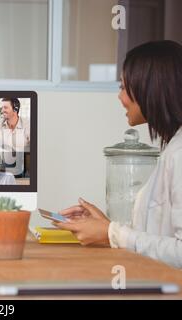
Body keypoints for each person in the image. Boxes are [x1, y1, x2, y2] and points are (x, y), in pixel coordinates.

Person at [54, 40, 182, 269]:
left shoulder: (179, 154)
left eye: (123, 87)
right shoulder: (173, 149)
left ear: (149, 88)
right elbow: (157, 234)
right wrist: (106, 227)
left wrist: (112, 234)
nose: (119, 97)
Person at [0, 98, 30, 177]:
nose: (2, 110)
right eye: (1, 108)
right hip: (5, 162)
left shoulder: (27, 124)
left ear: (15, 109)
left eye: (5, 107)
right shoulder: (0, 123)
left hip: (25, 162)